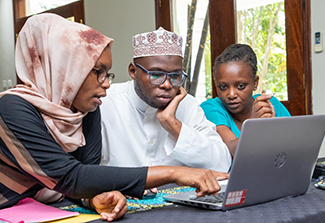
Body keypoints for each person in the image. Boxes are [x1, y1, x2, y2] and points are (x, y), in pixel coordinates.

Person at [0, 13, 228, 221]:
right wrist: (175, 173)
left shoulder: (84, 109)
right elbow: (72, 177)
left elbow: (83, 178)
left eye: (107, 73)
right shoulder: (12, 107)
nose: (106, 83)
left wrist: (94, 198)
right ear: (67, 68)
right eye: (97, 71)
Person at [100, 27, 232, 173]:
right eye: (156, 75)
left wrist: (173, 125)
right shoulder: (105, 102)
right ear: (133, 71)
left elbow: (222, 164)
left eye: (175, 76)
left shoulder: (188, 105)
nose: (167, 85)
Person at [200, 44, 291, 158]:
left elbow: (294, 146)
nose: (231, 94)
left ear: (255, 83)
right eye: (223, 87)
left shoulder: (271, 105)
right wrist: (255, 124)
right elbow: (233, 150)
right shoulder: (211, 108)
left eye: (241, 86)